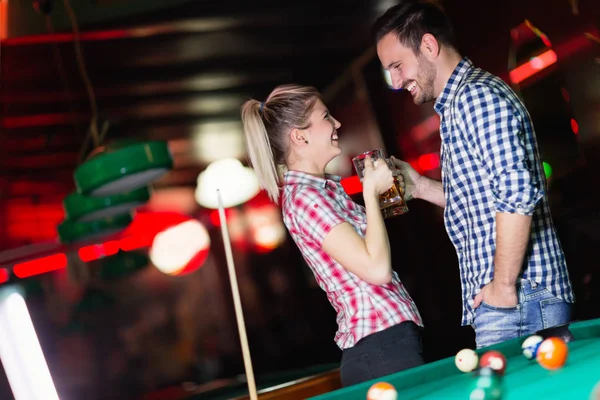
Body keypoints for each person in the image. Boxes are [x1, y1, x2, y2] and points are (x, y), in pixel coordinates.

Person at [372, 0, 574, 349]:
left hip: (518, 298)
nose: (396, 80)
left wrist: (504, 285)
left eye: (397, 65)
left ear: (429, 46)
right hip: (515, 300)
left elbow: (517, 191)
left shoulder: (474, 98)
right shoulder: (458, 104)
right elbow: (481, 200)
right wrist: (418, 186)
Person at [241, 84, 424, 386]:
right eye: (326, 116)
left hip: (386, 344)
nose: (337, 123)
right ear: (300, 136)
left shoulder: (322, 191)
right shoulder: (305, 199)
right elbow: (376, 270)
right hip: (379, 348)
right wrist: (369, 191)